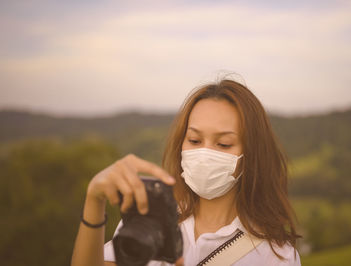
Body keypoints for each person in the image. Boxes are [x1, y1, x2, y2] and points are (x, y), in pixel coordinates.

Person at [71, 78, 301, 266]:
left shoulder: (276, 255)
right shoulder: (149, 220)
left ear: (252, 154)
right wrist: (94, 199)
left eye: (223, 144)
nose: (204, 154)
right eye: (194, 140)